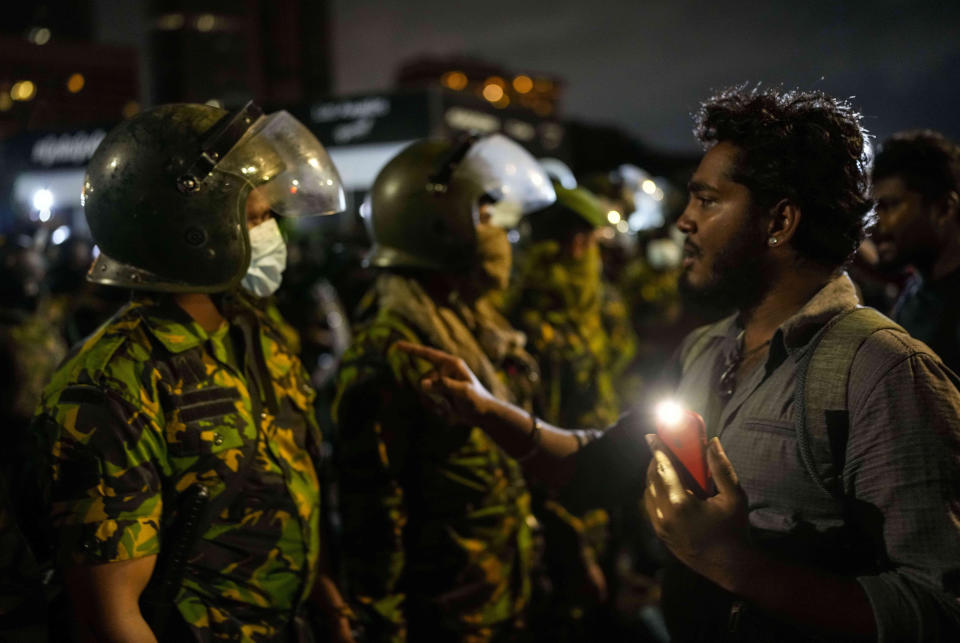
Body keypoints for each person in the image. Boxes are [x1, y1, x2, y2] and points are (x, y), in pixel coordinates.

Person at [396, 86, 960, 642]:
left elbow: (938, 608)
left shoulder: (883, 373)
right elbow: (598, 467)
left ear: (779, 221)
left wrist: (729, 562)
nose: (683, 221)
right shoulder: (706, 349)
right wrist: (485, 409)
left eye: (708, 200)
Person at [30, 102, 355, 642]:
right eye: (255, 218)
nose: (272, 233)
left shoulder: (257, 335)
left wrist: (330, 608)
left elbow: (287, 491)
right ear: (194, 233)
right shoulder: (111, 387)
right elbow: (112, 614)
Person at [331, 134, 555, 641]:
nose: (496, 233)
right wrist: (382, 627)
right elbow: (374, 516)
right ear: (439, 226)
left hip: (500, 600)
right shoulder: (393, 353)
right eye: (482, 216)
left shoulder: (478, 326)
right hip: (445, 619)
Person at [872, 130, 960, 371]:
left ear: (943, 208)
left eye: (890, 205)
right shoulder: (911, 303)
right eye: (873, 208)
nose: (875, 223)